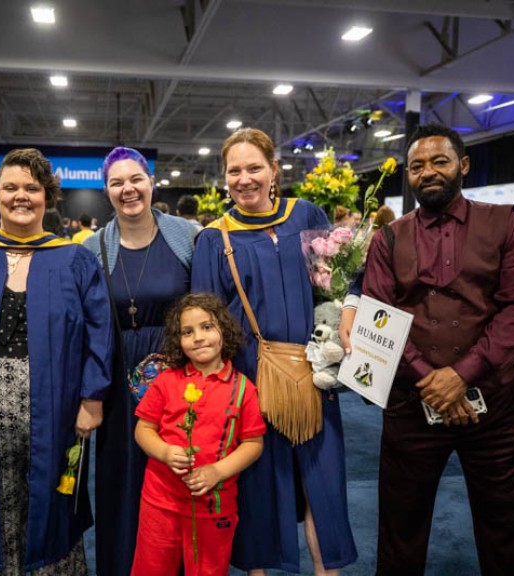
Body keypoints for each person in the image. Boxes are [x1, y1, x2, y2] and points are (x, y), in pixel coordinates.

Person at [347, 123, 514, 575]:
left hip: (496, 405)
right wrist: (432, 381)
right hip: (412, 404)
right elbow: (379, 314)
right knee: (400, 529)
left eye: (439, 161)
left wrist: (462, 375)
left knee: (507, 528)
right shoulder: (388, 237)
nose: (428, 172)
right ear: (408, 176)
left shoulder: (507, 224)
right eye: (417, 166)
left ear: (463, 166)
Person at [191, 128, 357, 575]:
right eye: (234, 171)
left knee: (323, 490)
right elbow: (206, 317)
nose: (244, 179)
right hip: (248, 384)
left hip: (313, 377)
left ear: (273, 170)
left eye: (254, 168)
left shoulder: (306, 215)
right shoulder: (213, 237)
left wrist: (344, 318)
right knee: (258, 493)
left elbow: (335, 282)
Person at [0, 148, 113, 575]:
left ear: (47, 197)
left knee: (51, 495)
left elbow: (100, 331)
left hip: (55, 400)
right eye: (10, 187)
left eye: (32, 188)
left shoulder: (74, 259)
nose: (21, 196)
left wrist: (92, 398)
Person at [82, 146, 197, 576]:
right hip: (116, 379)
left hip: (179, 377)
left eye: (135, 179)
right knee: (121, 479)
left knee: (177, 471)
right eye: (116, 182)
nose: (127, 189)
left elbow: (206, 307)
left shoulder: (188, 235)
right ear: (106, 191)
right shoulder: (93, 248)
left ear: (152, 182)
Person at [132, 292, 265, 576]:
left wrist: (217, 471)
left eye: (207, 327)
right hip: (160, 502)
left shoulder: (243, 389)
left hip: (213, 507)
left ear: (224, 331)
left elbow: (253, 444)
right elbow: (143, 429)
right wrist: (165, 452)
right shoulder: (166, 382)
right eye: (187, 332)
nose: (198, 337)